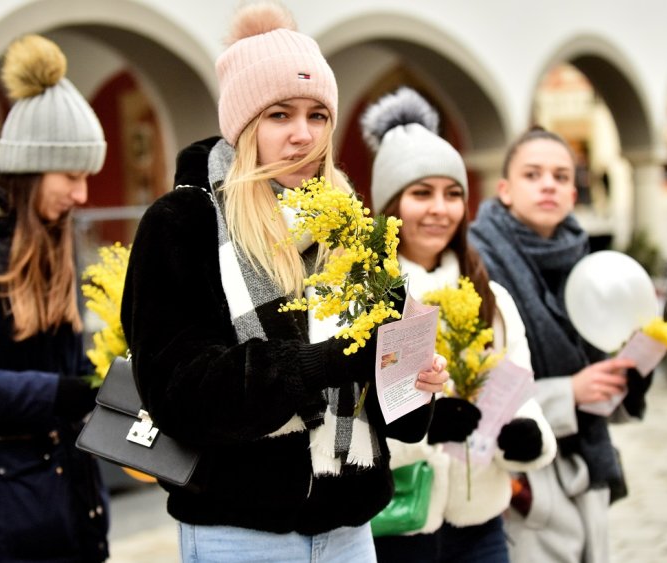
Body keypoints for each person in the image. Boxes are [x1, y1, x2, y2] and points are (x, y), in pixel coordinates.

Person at [119, 3, 448, 562]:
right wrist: (329, 360)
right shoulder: (185, 222)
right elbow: (179, 394)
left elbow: (400, 417)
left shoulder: (350, 223)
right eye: (280, 115)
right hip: (238, 533)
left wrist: (414, 379)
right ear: (245, 124)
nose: (303, 135)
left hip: (350, 531)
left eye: (318, 116)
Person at [361, 87, 557, 563]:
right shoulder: (365, 295)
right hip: (396, 523)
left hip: (480, 522)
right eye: (420, 193)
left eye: (452, 194)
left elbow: (518, 387)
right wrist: (423, 428)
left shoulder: (490, 295)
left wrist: (527, 437)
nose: (439, 209)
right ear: (390, 205)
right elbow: (347, 417)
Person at [0, 35, 109, 562]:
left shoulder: (55, 241)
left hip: (64, 505)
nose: (82, 195)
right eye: (71, 175)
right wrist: (55, 392)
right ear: (29, 168)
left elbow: (67, 375)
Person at [469, 126, 652, 562]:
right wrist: (567, 393)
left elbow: (598, 362)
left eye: (561, 176)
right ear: (505, 190)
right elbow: (472, 386)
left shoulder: (587, 261)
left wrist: (630, 371)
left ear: (573, 192)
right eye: (532, 175)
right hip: (521, 479)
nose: (548, 184)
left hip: (584, 471)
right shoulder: (477, 262)